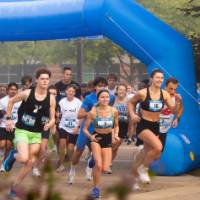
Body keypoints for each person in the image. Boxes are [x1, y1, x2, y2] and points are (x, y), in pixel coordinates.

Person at [3, 68, 56, 197]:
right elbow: (10, 102)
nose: (44, 81)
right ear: (37, 80)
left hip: (36, 133)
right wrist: (9, 119)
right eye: (42, 78)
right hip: (22, 130)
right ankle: (12, 156)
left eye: (47, 79)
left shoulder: (51, 99)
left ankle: (14, 187)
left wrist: (49, 124)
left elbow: (53, 118)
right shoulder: (27, 93)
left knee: (30, 162)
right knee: (25, 158)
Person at [128, 69, 177, 189]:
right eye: (157, 77)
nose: (160, 80)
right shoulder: (142, 93)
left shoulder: (164, 94)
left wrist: (178, 103)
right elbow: (130, 102)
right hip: (143, 125)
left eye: (161, 78)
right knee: (158, 147)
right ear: (152, 78)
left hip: (156, 125)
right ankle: (143, 169)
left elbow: (173, 110)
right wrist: (133, 114)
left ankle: (133, 178)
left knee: (146, 154)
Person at [67, 77, 115, 184]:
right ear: (95, 87)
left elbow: (111, 112)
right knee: (79, 151)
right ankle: (72, 170)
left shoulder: (110, 98)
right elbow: (79, 115)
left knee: (96, 154)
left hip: (100, 130)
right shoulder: (89, 98)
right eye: (99, 86)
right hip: (87, 128)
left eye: (104, 86)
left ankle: (89, 169)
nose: (102, 88)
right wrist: (91, 113)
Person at [83, 89, 119, 198]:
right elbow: (84, 129)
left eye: (107, 97)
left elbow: (116, 126)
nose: (105, 99)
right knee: (98, 166)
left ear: (110, 98)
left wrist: (116, 134)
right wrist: (90, 137)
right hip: (96, 138)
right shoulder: (93, 112)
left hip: (107, 139)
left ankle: (92, 159)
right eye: (102, 97)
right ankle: (96, 189)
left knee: (105, 169)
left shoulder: (113, 111)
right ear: (98, 99)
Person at [32, 85, 58, 177]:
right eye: (51, 93)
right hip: (32, 128)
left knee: (42, 149)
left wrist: (53, 126)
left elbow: (54, 117)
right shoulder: (38, 100)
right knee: (34, 149)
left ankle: (35, 168)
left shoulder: (55, 104)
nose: (53, 95)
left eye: (55, 94)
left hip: (45, 128)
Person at [56, 84, 82, 172]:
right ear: (66, 91)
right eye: (69, 91)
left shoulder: (78, 102)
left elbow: (81, 116)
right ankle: (61, 165)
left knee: (70, 149)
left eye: (72, 91)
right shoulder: (62, 101)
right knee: (62, 144)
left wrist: (78, 127)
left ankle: (72, 165)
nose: (70, 92)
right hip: (63, 126)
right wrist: (57, 116)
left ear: (74, 93)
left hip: (74, 127)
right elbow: (58, 113)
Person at [0, 83, 20, 172]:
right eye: (11, 89)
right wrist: (2, 113)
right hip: (3, 125)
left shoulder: (20, 100)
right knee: (2, 144)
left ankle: (4, 165)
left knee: (8, 145)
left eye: (15, 89)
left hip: (15, 126)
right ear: (8, 90)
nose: (13, 91)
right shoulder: (3, 101)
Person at [159, 77, 183, 151]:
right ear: (165, 86)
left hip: (164, 130)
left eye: (175, 89)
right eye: (171, 88)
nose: (173, 91)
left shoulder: (176, 97)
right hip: (154, 128)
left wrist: (177, 119)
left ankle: (141, 156)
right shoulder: (158, 95)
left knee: (159, 152)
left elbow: (181, 108)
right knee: (155, 149)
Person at [112, 83, 129, 169]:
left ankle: (109, 162)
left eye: (124, 90)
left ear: (126, 92)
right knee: (113, 144)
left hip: (124, 126)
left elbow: (131, 115)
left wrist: (131, 130)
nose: (122, 91)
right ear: (117, 91)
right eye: (120, 89)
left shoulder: (128, 101)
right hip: (113, 125)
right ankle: (107, 163)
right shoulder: (112, 100)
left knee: (116, 146)